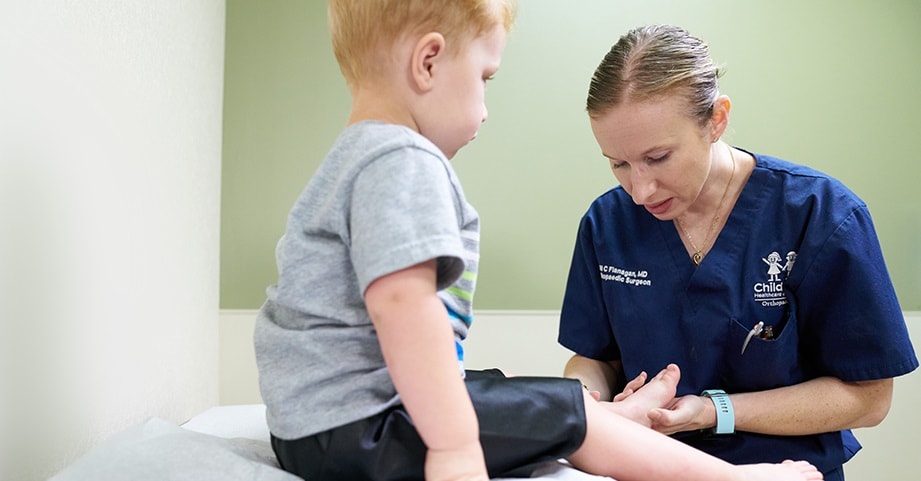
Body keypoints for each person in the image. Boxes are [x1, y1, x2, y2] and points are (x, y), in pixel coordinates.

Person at [254, 3, 824, 480]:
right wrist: (454, 447)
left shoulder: (351, 159)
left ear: (715, 121)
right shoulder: (403, 161)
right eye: (484, 78)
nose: (484, 108)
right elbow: (402, 305)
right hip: (363, 426)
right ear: (428, 62)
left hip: (312, 426)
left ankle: (612, 418)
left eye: (657, 157)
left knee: (516, 395)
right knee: (557, 412)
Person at [559, 23, 919, 481]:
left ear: (717, 119)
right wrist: (585, 404)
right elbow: (594, 358)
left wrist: (715, 411)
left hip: (787, 471)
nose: (640, 190)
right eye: (619, 164)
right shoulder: (608, 223)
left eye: (658, 157)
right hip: (646, 469)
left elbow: (869, 398)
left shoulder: (819, 214)